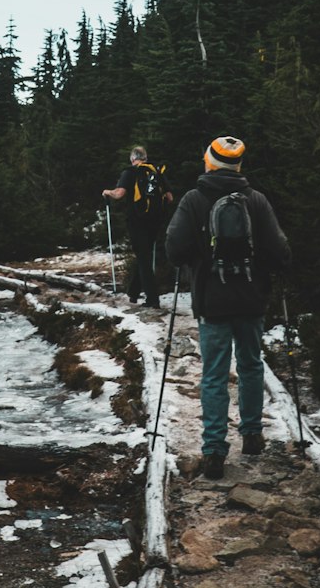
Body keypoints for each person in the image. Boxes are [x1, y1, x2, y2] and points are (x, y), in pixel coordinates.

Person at [165, 135, 290, 480]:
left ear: (209, 161)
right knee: (251, 365)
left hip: (212, 301)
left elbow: (174, 249)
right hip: (251, 299)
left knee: (214, 375)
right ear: (238, 165)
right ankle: (251, 435)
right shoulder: (256, 200)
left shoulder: (194, 199)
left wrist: (194, 258)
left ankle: (215, 451)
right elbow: (280, 251)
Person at [102, 146, 173, 309]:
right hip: (155, 221)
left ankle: (153, 299)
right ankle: (133, 293)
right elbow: (169, 197)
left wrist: (107, 192)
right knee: (144, 256)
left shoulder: (130, 172)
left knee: (143, 258)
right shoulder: (156, 172)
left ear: (132, 159)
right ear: (145, 158)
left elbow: (119, 194)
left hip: (137, 221)